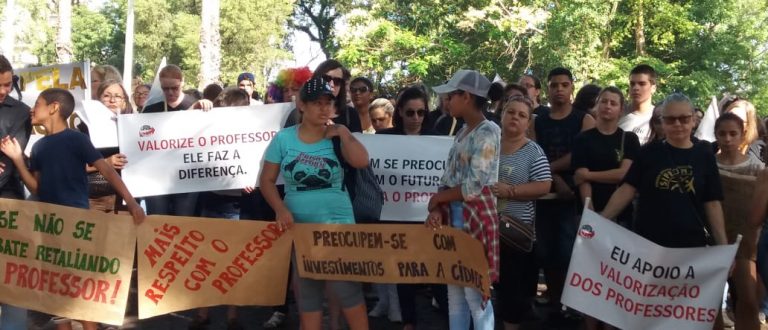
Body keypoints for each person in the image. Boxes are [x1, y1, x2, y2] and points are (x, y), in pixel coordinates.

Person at [0, 88, 145, 330]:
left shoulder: (76, 139)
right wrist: (17, 160)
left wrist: (130, 202)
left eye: (37, 103)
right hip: (50, 226)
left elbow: (107, 170)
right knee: (57, 293)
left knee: (79, 291)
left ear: (54, 107)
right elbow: (37, 186)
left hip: (77, 224)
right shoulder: (39, 148)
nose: (31, 109)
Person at [260, 77, 370, 330]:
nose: (324, 109)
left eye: (328, 103)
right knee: (308, 297)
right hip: (299, 228)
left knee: (348, 293)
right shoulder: (284, 139)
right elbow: (266, 181)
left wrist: (342, 132)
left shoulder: (336, 136)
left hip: (339, 226)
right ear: (302, 105)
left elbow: (362, 161)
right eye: (317, 103)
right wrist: (280, 209)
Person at [427, 69, 499, 330]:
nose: (447, 101)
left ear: (466, 97)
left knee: (474, 293)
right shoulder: (462, 132)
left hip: (475, 218)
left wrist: (438, 199)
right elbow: (450, 176)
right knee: (455, 292)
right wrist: (439, 207)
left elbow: (474, 186)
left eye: (451, 95)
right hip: (455, 217)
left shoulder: (488, 131)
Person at [377, 87, 444, 329]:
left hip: (428, 214)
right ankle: (409, 321)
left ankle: (448, 315)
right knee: (403, 269)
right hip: (397, 214)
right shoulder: (384, 139)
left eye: (421, 112)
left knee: (436, 269)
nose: (416, 118)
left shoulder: (439, 140)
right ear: (400, 113)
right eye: (410, 112)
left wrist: (438, 207)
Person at [532, 67, 595, 323]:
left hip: (573, 197)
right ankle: (556, 304)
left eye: (564, 85)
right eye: (554, 84)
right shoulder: (538, 120)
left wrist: (553, 174)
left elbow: (581, 155)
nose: (559, 89)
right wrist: (553, 177)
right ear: (547, 88)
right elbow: (533, 153)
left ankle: (574, 305)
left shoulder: (584, 120)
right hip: (544, 196)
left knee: (571, 252)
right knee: (546, 253)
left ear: (572, 88)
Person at [189, 88, 251, 330]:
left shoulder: (253, 133)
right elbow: (175, 133)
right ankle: (204, 313)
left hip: (238, 205)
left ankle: (232, 316)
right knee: (207, 261)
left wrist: (253, 178)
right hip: (212, 202)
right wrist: (196, 107)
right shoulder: (209, 128)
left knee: (234, 262)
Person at [490, 95, 552, 330]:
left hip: (514, 235)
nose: (515, 117)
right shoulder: (489, 145)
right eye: (511, 112)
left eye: (522, 115)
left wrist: (511, 191)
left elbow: (545, 185)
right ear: (502, 115)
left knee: (511, 290)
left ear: (528, 123)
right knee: (492, 287)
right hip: (484, 228)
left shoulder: (533, 151)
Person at [714, 113, 764, 330]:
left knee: (748, 299)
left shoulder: (757, 168)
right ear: (715, 135)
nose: (727, 139)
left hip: (744, 243)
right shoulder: (708, 165)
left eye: (733, 134)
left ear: (743, 135)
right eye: (722, 134)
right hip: (712, 240)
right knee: (710, 301)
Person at [141, 65, 211, 217]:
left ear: (182, 82)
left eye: (175, 88)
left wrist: (206, 107)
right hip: (157, 178)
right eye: (165, 88)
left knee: (183, 222)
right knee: (157, 223)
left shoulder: (198, 106)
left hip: (187, 178)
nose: (170, 92)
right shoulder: (151, 110)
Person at [572, 87, 640, 226]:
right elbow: (581, 178)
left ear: (621, 110)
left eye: (613, 103)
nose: (608, 106)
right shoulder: (582, 139)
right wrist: (590, 215)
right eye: (604, 101)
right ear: (597, 105)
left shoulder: (629, 139)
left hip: (620, 215)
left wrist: (588, 175)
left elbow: (624, 174)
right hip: (587, 212)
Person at [0, 54, 32, 330]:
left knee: (13, 277)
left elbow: (11, 158)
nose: (3, 91)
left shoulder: (20, 112)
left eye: (7, 85)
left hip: (8, 200)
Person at [82, 80, 133, 214]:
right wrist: (106, 163)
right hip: (95, 199)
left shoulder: (135, 128)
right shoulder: (84, 129)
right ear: (98, 100)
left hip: (127, 199)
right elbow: (74, 164)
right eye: (106, 96)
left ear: (124, 102)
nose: (112, 100)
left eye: (117, 96)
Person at [618, 64, 657, 144]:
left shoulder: (659, 117)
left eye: (642, 84)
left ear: (653, 88)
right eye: (632, 84)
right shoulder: (617, 113)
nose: (636, 88)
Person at [721, 98, 766, 163]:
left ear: (748, 125)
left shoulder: (758, 155)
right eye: (729, 117)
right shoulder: (711, 149)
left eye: (739, 120)